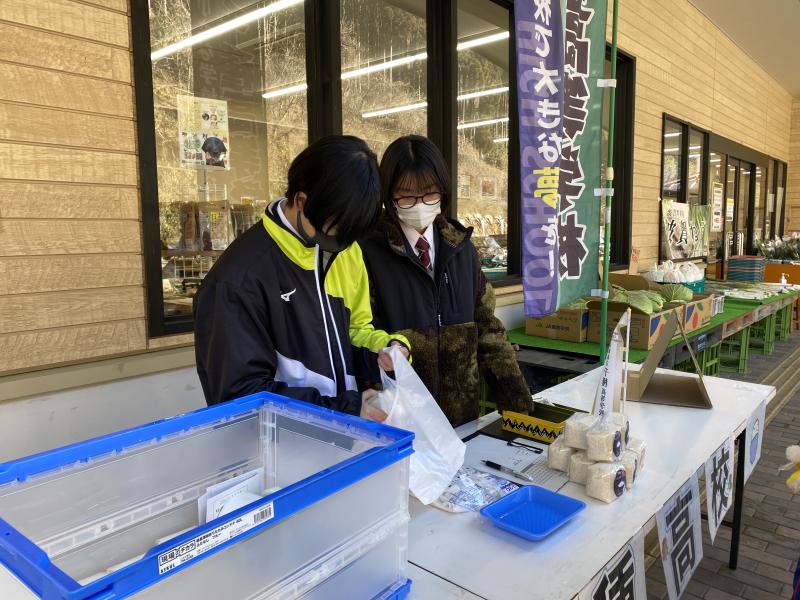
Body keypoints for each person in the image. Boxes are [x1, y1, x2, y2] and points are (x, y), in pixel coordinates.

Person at [193, 135, 409, 420]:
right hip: (278, 444)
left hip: (342, 434)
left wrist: (386, 352)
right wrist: (344, 410)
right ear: (301, 201)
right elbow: (241, 397)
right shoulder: (237, 280)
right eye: (338, 229)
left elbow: (355, 331)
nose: (344, 243)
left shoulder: (346, 251)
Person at [359, 135, 530, 427]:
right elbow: (359, 338)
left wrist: (518, 407)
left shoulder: (461, 249)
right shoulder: (368, 253)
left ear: (443, 190)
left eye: (429, 194)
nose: (419, 205)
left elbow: (488, 331)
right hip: (399, 422)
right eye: (406, 196)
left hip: (461, 419)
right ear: (388, 195)